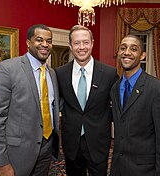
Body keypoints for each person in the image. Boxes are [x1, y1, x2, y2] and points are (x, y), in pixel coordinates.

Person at [0, 24, 60, 176]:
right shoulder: (6, 69)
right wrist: (1, 162)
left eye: (49, 41)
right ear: (28, 42)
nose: (45, 44)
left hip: (46, 148)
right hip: (15, 154)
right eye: (39, 40)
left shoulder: (51, 73)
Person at [55, 25, 119, 176]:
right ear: (70, 46)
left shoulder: (109, 73)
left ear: (92, 43)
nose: (81, 47)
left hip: (98, 142)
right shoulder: (60, 73)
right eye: (77, 43)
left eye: (85, 42)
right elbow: (58, 102)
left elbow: (116, 107)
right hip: (72, 142)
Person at [110, 34, 160, 176]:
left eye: (133, 49)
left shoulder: (159, 90)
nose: (127, 52)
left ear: (142, 55)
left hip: (145, 171)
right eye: (123, 48)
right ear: (118, 53)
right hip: (118, 168)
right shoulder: (114, 88)